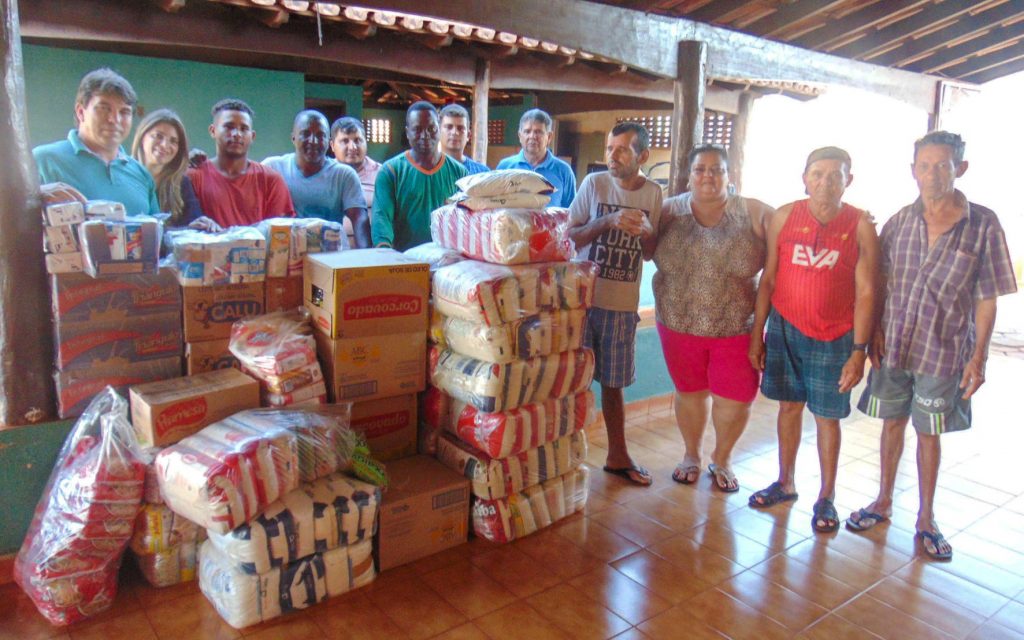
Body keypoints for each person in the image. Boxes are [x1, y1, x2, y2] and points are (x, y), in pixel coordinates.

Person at [847, 131, 1016, 560]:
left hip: (943, 351)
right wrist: (874, 335)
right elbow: (879, 281)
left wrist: (978, 357)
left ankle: (926, 519)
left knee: (929, 432)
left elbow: (987, 296)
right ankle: (882, 501)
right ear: (913, 171)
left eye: (943, 165)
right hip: (894, 346)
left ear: (961, 168)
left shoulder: (984, 224)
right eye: (925, 165)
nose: (933, 174)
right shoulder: (900, 221)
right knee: (891, 424)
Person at [748, 146, 878, 534]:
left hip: (837, 336)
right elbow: (768, 279)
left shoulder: (860, 225)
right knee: (788, 408)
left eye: (835, 175)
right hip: (786, 328)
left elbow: (869, 291)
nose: (825, 182)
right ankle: (785, 483)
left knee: (826, 418)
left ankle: (826, 497)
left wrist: (860, 352)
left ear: (848, 180)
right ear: (804, 177)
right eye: (817, 174)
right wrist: (758, 335)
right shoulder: (785, 217)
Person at [653, 144, 773, 492]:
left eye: (716, 169)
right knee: (689, 393)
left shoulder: (751, 211)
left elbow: (793, 226)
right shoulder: (667, 212)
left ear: (728, 174)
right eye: (700, 169)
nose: (708, 176)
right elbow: (640, 241)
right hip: (677, 323)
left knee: (734, 399)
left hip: (737, 326)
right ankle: (691, 455)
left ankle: (722, 458)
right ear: (689, 175)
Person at [567, 122, 661, 486]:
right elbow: (570, 238)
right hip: (584, 300)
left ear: (643, 156)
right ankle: (564, 454)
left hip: (622, 306)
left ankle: (617, 455)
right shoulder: (594, 185)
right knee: (571, 378)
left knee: (613, 384)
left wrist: (648, 231)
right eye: (610, 148)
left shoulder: (654, 194)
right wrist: (607, 220)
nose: (613, 156)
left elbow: (651, 252)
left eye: (622, 149)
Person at [34, 67, 158, 215]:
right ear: (81, 112)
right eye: (104, 109)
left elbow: (157, 233)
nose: (115, 120)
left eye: (124, 112)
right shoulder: (43, 160)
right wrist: (32, 196)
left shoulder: (141, 174)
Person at [263, 110, 370, 247]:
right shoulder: (273, 168)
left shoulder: (343, 175)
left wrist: (366, 256)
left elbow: (359, 218)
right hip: (282, 256)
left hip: (328, 258)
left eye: (321, 136)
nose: (313, 141)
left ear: (328, 142)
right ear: (293, 138)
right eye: (306, 134)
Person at [372, 101, 467, 251]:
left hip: (447, 262)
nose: (425, 135)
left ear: (439, 130)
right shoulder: (390, 171)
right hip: (402, 261)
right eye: (417, 129)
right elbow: (382, 218)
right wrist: (385, 254)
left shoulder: (459, 173)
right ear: (407, 132)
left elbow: (466, 219)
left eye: (431, 129)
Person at [188, 98, 295, 227]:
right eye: (229, 127)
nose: (237, 134)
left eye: (244, 129)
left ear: (252, 136)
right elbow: (183, 230)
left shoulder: (271, 180)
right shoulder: (193, 177)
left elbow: (280, 236)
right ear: (213, 131)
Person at [131, 108, 222, 232]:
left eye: (173, 141)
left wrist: (204, 224)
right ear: (142, 136)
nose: (164, 145)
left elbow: (194, 221)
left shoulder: (181, 183)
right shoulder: (124, 176)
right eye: (158, 136)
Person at [496, 109, 576, 208]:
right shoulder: (504, 167)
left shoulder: (564, 171)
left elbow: (571, 214)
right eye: (527, 131)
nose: (532, 136)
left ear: (549, 137)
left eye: (538, 132)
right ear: (520, 136)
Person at [331, 116, 381, 210]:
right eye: (345, 141)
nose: (352, 147)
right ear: (332, 145)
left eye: (357, 140)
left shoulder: (382, 174)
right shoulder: (324, 174)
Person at [438, 103, 489, 175]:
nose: (454, 132)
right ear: (438, 132)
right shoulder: (427, 171)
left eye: (460, 128)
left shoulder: (481, 173)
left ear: (468, 135)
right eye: (449, 127)